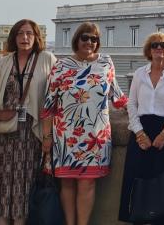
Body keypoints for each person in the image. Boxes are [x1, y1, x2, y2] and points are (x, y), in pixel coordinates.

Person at [42, 22, 127, 225]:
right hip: (65, 135)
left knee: (87, 183)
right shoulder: (61, 66)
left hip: (95, 136)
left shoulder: (106, 62)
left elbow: (118, 96)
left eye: (94, 39)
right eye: (85, 38)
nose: (89, 42)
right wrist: (46, 138)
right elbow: (48, 104)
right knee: (67, 183)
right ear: (76, 40)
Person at [0, 19, 57, 225]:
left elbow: (56, 95)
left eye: (29, 34)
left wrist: (49, 135)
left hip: (30, 133)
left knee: (24, 183)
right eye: (20, 34)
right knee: (0, 183)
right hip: (2, 131)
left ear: (36, 37)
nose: (25, 38)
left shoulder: (46, 59)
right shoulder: (4, 62)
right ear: (14, 37)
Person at [118, 32, 164, 224]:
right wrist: (139, 132)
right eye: (155, 45)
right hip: (141, 129)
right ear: (149, 50)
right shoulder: (140, 73)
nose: (159, 48)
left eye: (163, 45)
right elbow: (132, 104)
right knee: (137, 179)